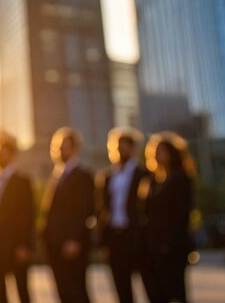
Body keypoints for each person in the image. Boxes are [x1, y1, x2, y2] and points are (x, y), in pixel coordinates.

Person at [95, 128, 151, 303]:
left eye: (124, 146)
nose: (120, 150)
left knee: (149, 283)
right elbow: (101, 209)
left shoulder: (145, 175)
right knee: (121, 286)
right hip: (115, 237)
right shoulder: (107, 177)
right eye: (117, 147)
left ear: (133, 148)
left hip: (137, 236)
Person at [140, 132, 195, 303]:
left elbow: (181, 214)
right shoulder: (152, 181)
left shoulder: (180, 178)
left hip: (172, 245)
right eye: (156, 151)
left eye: (162, 150)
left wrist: (167, 242)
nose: (158, 154)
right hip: (151, 244)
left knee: (175, 289)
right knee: (156, 291)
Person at [0, 134, 34, 303]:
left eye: (3, 152)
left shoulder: (22, 182)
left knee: (22, 291)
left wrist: (25, 245)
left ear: (12, 155)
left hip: (16, 246)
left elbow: (28, 215)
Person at [42, 127, 94, 303]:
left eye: (63, 146)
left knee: (77, 291)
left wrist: (74, 239)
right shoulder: (56, 176)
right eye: (56, 147)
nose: (58, 151)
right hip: (55, 245)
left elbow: (84, 210)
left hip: (72, 245)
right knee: (63, 291)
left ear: (74, 148)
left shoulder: (83, 176)